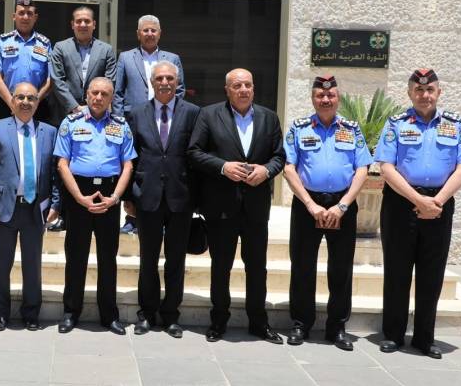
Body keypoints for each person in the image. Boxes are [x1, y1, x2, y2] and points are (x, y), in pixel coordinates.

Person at [374, 68, 461, 359]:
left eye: (430, 89)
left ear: (439, 92)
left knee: (432, 273)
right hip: (401, 203)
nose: (424, 95)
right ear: (410, 93)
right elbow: (386, 167)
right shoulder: (396, 123)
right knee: (397, 270)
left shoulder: (455, 124)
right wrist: (418, 199)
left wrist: (437, 202)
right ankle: (393, 334)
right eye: (418, 90)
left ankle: (424, 338)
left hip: (440, 204)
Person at [187, 68, 285, 344]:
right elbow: (194, 152)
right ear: (227, 90)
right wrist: (223, 167)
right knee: (221, 266)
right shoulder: (209, 115)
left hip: (256, 207)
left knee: (257, 267)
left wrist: (266, 170)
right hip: (221, 206)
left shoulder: (269, 117)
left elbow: (279, 156)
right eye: (237, 85)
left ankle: (258, 322)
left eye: (247, 85)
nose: (243, 90)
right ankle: (219, 320)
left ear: (253, 88)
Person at [281, 75, 372, 351]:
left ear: (338, 98)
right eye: (320, 95)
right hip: (308, 204)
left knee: (341, 269)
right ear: (313, 98)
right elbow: (288, 168)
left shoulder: (351, 129)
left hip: (342, 206)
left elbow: (362, 168)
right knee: (302, 266)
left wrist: (343, 205)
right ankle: (301, 323)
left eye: (330, 95)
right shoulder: (299, 128)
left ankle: (337, 327)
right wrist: (311, 204)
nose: (326, 99)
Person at [54, 77, 136, 335]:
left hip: (109, 195)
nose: (99, 97)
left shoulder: (121, 125)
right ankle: (71, 312)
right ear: (86, 94)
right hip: (78, 193)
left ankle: (109, 315)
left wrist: (116, 198)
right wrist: (79, 197)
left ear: (111, 98)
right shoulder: (71, 123)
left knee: (107, 258)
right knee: (75, 256)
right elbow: (62, 164)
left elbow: (128, 165)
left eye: (104, 94)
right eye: (95, 93)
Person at [125, 61, 200, 339]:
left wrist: (198, 198)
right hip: (147, 196)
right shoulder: (137, 113)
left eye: (170, 78)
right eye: (159, 78)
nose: (165, 82)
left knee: (176, 259)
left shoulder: (193, 113)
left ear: (177, 82)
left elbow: (197, 156)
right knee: (148, 259)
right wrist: (128, 196)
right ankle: (147, 313)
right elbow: (129, 157)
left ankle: (170, 315)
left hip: (181, 197)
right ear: (151, 82)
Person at [0, 82, 60, 331]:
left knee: (32, 265)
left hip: (35, 209)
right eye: (21, 97)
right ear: (12, 101)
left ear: (38, 102)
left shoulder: (49, 132)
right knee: (1, 265)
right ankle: (1, 314)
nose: (26, 102)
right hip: (4, 208)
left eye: (31, 98)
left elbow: (55, 173)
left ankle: (31, 314)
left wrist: (55, 204)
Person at [47, 5, 116, 232]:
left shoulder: (106, 50)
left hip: (98, 117)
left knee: (91, 162)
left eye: (87, 21)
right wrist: (76, 108)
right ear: (72, 24)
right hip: (67, 115)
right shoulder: (61, 47)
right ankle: (62, 212)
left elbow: (109, 81)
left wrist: (94, 106)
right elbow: (57, 80)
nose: (83, 24)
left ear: (94, 24)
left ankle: (95, 209)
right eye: (79, 21)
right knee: (63, 165)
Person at [113, 15, 183, 234]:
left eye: (153, 30)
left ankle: (162, 215)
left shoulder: (172, 58)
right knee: (134, 165)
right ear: (138, 34)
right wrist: (119, 121)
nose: (150, 34)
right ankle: (132, 217)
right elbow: (118, 92)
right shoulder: (125, 57)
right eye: (145, 30)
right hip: (134, 122)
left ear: (160, 34)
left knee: (160, 165)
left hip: (165, 120)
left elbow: (180, 89)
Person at [0, 0, 52, 123]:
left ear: (35, 18)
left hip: (38, 106)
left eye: (29, 13)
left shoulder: (45, 44)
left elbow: (50, 79)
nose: (25, 17)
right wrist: (12, 103)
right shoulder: (3, 41)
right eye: (21, 13)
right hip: (7, 104)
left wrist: (35, 101)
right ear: (14, 16)